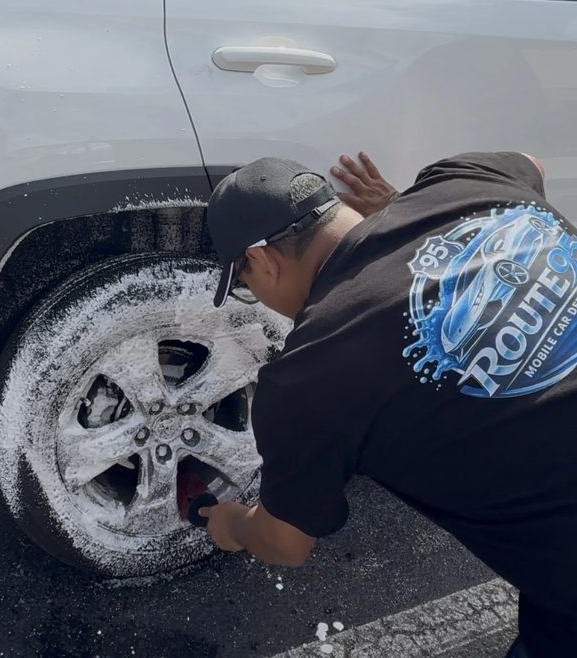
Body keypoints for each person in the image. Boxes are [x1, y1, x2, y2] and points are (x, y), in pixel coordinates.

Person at [200, 151, 577, 658]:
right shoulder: (465, 180)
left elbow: (284, 544)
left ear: (262, 260)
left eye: (245, 286)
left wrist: (230, 524)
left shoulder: (308, 376)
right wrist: (406, 209)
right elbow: (532, 162)